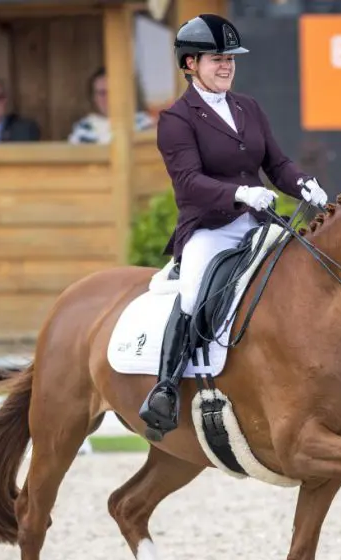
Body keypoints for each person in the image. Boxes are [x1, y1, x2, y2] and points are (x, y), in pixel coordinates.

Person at [138, 13, 329, 441]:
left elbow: (276, 164)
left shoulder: (249, 108)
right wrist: (239, 195)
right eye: (216, 59)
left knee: (310, 278)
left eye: (230, 59)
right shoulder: (176, 119)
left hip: (259, 224)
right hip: (209, 228)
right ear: (190, 64)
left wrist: (303, 183)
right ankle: (166, 389)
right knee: (191, 295)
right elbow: (188, 181)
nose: (226, 65)